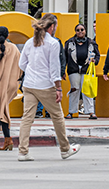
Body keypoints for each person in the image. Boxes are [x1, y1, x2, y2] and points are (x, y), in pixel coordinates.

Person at [17, 14, 80, 161]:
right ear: (52, 27)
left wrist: (32, 71)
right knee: (57, 116)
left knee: (27, 118)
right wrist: (58, 88)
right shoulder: (53, 43)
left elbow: (22, 64)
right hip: (46, 85)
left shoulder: (30, 42)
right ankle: (65, 149)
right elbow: (54, 68)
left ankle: (23, 151)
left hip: (29, 84)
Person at [0, 26, 22, 151]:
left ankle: (7, 139)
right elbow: (21, 65)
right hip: (11, 84)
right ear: (8, 36)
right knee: (1, 110)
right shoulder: (14, 48)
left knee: (0, 111)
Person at [63, 23, 99, 119]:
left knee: (87, 90)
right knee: (74, 89)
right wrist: (63, 70)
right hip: (73, 70)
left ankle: (91, 111)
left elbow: (97, 55)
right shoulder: (69, 42)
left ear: (85, 31)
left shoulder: (91, 42)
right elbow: (64, 57)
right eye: (78, 30)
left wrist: (95, 61)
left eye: (82, 29)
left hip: (86, 70)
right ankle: (71, 111)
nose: (80, 32)